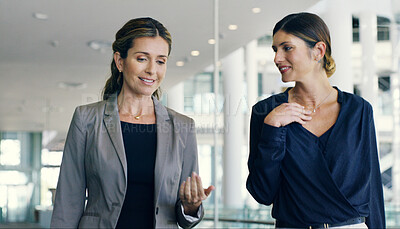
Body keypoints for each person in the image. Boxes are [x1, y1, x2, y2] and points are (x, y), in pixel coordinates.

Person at [50, 17, 214, 229]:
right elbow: (68, 201)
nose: (152, 70)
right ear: (120, 61)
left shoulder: (182, 127)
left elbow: (185, 218)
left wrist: (191, 207)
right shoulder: (87, 118)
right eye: (142, 59)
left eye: (161, 61)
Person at [246, 12, 385, 228]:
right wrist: (272, 130)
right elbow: (263, 193)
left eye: (287, 48)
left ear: (318, 51)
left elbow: (373, 189)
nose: (276, 58)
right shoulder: (266, 113)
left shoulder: (359, 110)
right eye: (275, 50)